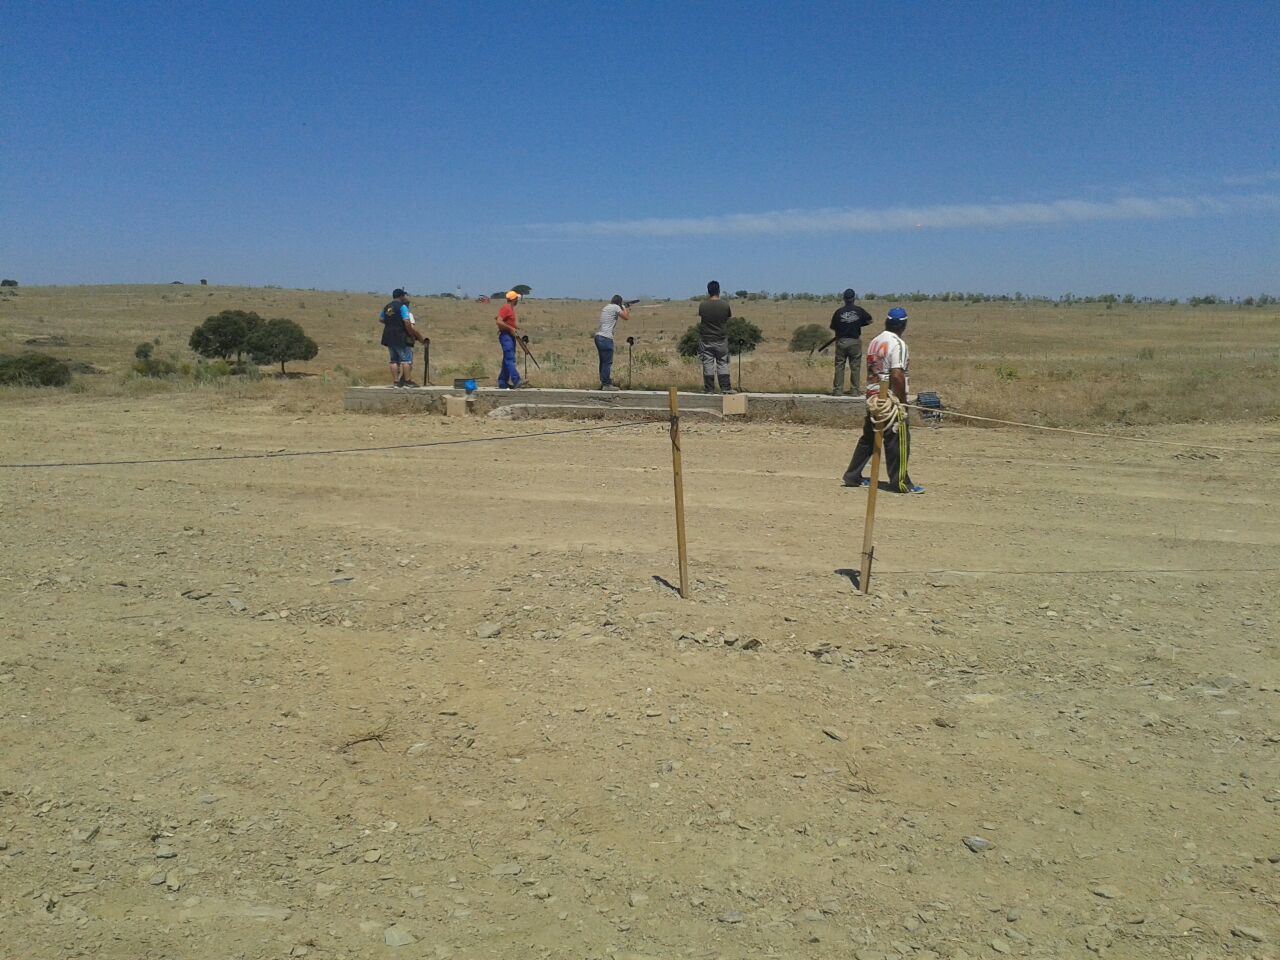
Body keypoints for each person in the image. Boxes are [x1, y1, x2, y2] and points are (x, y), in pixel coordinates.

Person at [841, 307, 924, 494]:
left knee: (869, 439)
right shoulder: (898, 344)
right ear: (904, 325)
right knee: (898, 439)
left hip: (873, 397)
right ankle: (900, 482)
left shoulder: (875, 341)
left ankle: (852, 475)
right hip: (889, 400)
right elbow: (897, 375)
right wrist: (902, 402)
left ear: (886, 322)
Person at [826, 288, 873, 395]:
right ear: (854, 298)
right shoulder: (859, 310)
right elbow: (870, 320)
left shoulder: (839, 312)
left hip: (841, 341)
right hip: (855, 341)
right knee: (855, 366)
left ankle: (838, 390)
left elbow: (833, 327)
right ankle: (855, 390)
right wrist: (858, 324)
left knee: (839, 366)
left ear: (844, 299)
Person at [379, 288, 427, 388]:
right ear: (401, 296)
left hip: (388, 336)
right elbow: (406, 322)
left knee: (393, 360)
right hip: (400, 336)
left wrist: (391, 324)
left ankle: (396, 382)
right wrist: (411, 334)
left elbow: (381, 319)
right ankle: (408, 382)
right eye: (403, 296)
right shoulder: (402, 307)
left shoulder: (387, 307)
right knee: (406, 360)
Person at [697, 280, 733, 394]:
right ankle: (725, 388)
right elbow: (727, 317)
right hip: (721, 339)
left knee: (707, 363)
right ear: (719, 290)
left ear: (708, 291)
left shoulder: (703, 305)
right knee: (722, 362)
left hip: (706, 339)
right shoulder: (724, 305)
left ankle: (709, 388)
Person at [594, 295, 629, 390]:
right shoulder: (616, 307)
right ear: (619, 302)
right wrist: (625, 307)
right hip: (606, 338)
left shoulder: (606, 307)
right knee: (607, 362)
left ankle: (603, 382)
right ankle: (606, 384)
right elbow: (626, 317)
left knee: (603, 362)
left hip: (598, 336)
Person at [495, 290, 523, 389]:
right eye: (516, 299)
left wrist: (514, 327)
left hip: (510, 336)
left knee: (507, 359)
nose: (517, 301)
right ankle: (517, 380)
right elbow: (499, 321)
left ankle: (502, 382)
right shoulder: (506, 308)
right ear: (514, 299)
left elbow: (506, 322)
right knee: (510, 358)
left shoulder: (510, 309)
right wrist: (510, 328)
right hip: (506, 337)